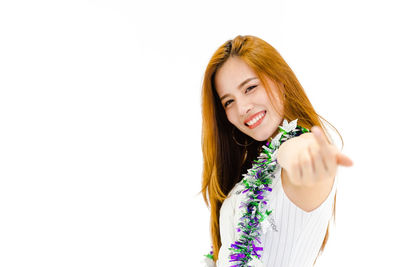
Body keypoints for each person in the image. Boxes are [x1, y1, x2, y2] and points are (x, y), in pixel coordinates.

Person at [200, 35, 353, 267]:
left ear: (280, 80)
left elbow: (299, 150)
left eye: (250, 88)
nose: (242, 108)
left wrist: (303, 157)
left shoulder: (300, 150)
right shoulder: (251, 174)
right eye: (228, 102)